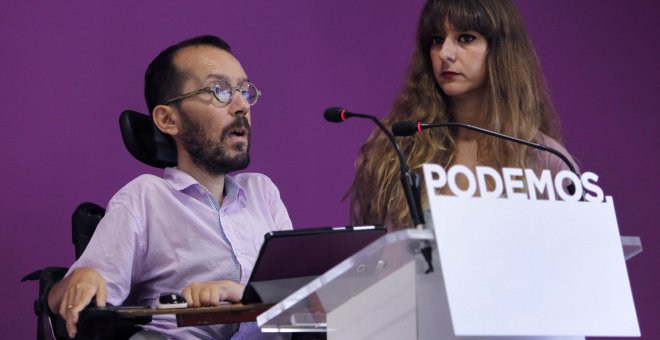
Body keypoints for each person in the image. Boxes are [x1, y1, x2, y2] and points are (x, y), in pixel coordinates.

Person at [47, 35, 293, 339]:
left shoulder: (262, 193)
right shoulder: (145, 198)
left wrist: (239, 293)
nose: (241, 105)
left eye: (243, 90)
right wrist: (81, 278)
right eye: (220, 91)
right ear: (168, 119)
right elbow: (63, 298)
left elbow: (302, 298)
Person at [349, 0, 579, 231]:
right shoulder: (391, 153)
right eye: (437, 40)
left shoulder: (547, 161)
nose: (445, 54)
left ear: (500, 51)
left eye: (465, 38)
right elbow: (363, 260)